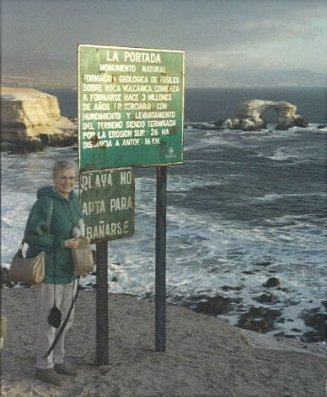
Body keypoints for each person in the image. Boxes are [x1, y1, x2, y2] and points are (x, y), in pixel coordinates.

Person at [24, 159, 83, 386]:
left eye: (71, 178)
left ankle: (58, 359)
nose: (67, 182)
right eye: (63, 178)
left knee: (66, 319)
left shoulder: (74, 200)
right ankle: (44, 366)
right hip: (49, 270)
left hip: (71, 269)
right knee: (50, 320)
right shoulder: (45, 203)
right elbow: (32, 235)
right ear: (54, 178)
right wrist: (63, 243)